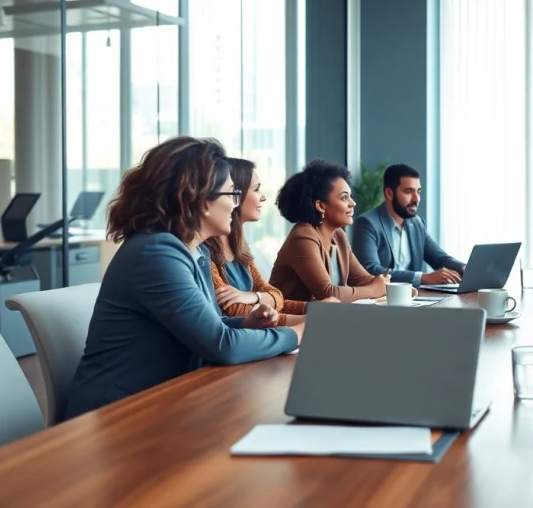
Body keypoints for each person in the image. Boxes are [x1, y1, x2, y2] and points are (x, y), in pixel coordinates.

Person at [65, 137, 299, 419]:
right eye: (231, 195)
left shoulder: (193, 251)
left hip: (161, 402)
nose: (235, 206)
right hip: (114, 417)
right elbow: (222, 346)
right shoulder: (155, 253)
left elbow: (210, 325)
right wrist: (297, 333)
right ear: (202, 201)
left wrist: (247, 322)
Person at [204, 159, 338, 325]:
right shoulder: (205, 250)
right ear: (235, 193)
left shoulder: (239, 245)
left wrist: (255, 296)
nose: (263, 197)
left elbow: (276, 296)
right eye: (257, 189)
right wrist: (310, 318)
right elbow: (235, 310)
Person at [270, 159, 388, 303]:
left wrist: (395, 288)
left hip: (325, 319)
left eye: (350, 197)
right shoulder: (303, 237)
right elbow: (328, 293)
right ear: (320, 206)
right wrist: (375, 289)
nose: (353, 203)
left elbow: (364, 280)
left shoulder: (338, 235)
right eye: (344, 197)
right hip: (292, 321)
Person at [351, 164, 465, 288]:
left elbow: (440, 259)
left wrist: (465, 268)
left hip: (413, 299)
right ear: (389, 193)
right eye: (408, 192)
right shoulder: (367, 223)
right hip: (380, 300)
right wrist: (423, 278)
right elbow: (371, 270)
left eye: (418, 191)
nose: (416, 199)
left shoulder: (417, 224)